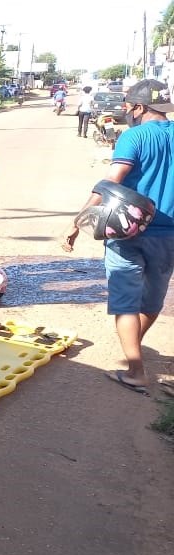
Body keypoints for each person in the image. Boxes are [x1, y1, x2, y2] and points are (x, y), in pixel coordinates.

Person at [62, 79, 174, 396]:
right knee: (152, 299)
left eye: (127, 106)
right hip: (169, 235)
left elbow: (112, 181)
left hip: (129, 231)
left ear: (139, 107)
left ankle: (136, 371)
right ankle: (134, 347)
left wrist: (77, 221)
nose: (126, 111)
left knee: (126, 300)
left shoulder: (134, 137)